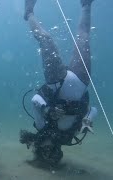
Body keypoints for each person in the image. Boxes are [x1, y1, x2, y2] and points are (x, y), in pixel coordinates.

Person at [20, 0, 98, 166]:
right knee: (83, 38)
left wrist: (47, 110)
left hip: (57, 83)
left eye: (46, 152)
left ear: (39, 147)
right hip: (81, 82)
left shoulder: (42, 127)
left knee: (46, 40)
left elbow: (35, 100)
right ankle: (86, 5)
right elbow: (93, 110)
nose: (50, 150)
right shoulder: (70, 136)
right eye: (54, 153)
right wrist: (87, 122)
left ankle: (29, 13)